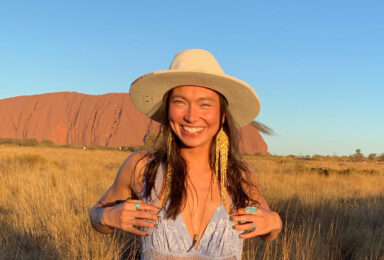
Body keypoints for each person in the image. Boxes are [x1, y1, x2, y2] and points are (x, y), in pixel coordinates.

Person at [89, 49, 282, 259]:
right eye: (180, 102)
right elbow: (96, 215)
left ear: (222, 115)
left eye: (205, 104)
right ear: (168, 109)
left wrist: (275, 222)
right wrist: (108, 216)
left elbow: (270, 233)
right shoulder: (142, 167)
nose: (191, 116)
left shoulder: (241, 175)